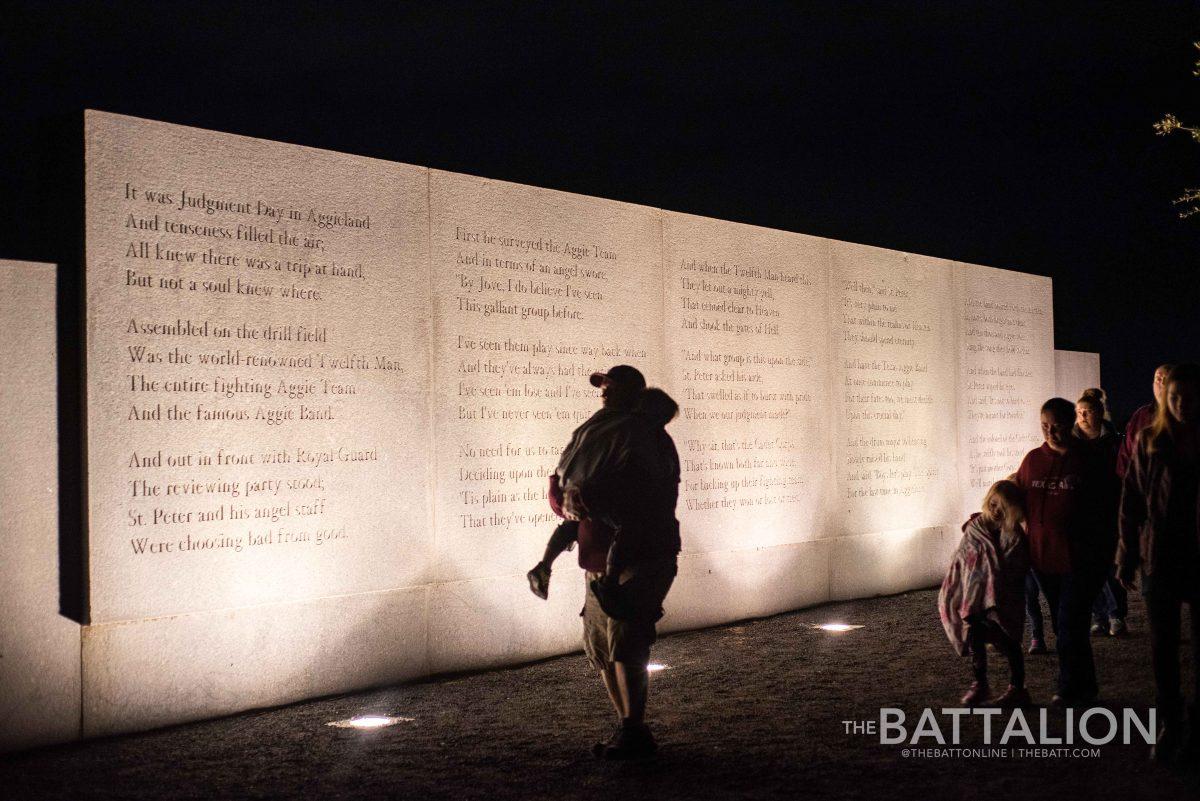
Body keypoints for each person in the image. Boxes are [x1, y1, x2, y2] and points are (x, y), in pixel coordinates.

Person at [567, 385, 681, 760]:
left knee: (627, 641)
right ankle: (628, 727)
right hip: (606, 557)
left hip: (639, 557)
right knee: (604, 645)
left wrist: (579, 496)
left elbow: (630, 507)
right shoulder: (620, 442)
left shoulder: (646, 447)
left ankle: (634, 728)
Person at [1118, 363, 1200, 763]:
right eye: (1176, 397)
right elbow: (1131, 500)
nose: (1183, 403)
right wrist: (1126, 554)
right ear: (1166, 400)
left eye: (1189, 396)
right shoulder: (1151, 439)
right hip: (1162, 555)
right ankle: (1170, 722)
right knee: (1162, 647)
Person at [1013, 397, 1116, 705]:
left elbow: (1109, 505)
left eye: (1056, 426)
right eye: (1044, 426)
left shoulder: (1089, 460)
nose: (1050, 433)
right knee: (1064, 625)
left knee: (1071, 620)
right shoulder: (1033, 459)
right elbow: (1017, 495)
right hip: (1044, 559)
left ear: (1070, 423)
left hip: (1081, 558)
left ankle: (1067, 687)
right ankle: (1086, 686)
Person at [938, 480, 1031, 707]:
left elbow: (1014, 566)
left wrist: (993, 574)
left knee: (1009, 642)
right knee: (976, 638)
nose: (997, 510)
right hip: (975, 597)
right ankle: (980, 684)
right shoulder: (976, 527)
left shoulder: (1014, 535)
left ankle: (1017, 688)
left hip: (1003, 599)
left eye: (1003, 507)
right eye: (994, 504)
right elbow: (963, 558)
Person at [1074, 388, 1128, 636]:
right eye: (1079, 412)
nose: (1083, 416)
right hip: (1082, 514)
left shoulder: (1114, 441)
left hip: (1109, 510)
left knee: (1110, 566)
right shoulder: (1071, 443)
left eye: (1087, 411)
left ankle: (1117, 616)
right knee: (1088, 568)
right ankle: (1098, 616)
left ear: (1099, 412)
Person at [1116, 364, 1174, 479]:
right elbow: (1126, 455)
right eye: (1158, 379)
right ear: (1153, 384)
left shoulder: (1186, 415)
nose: (1162, 383)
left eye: (1167, 379)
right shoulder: (1141, 415)